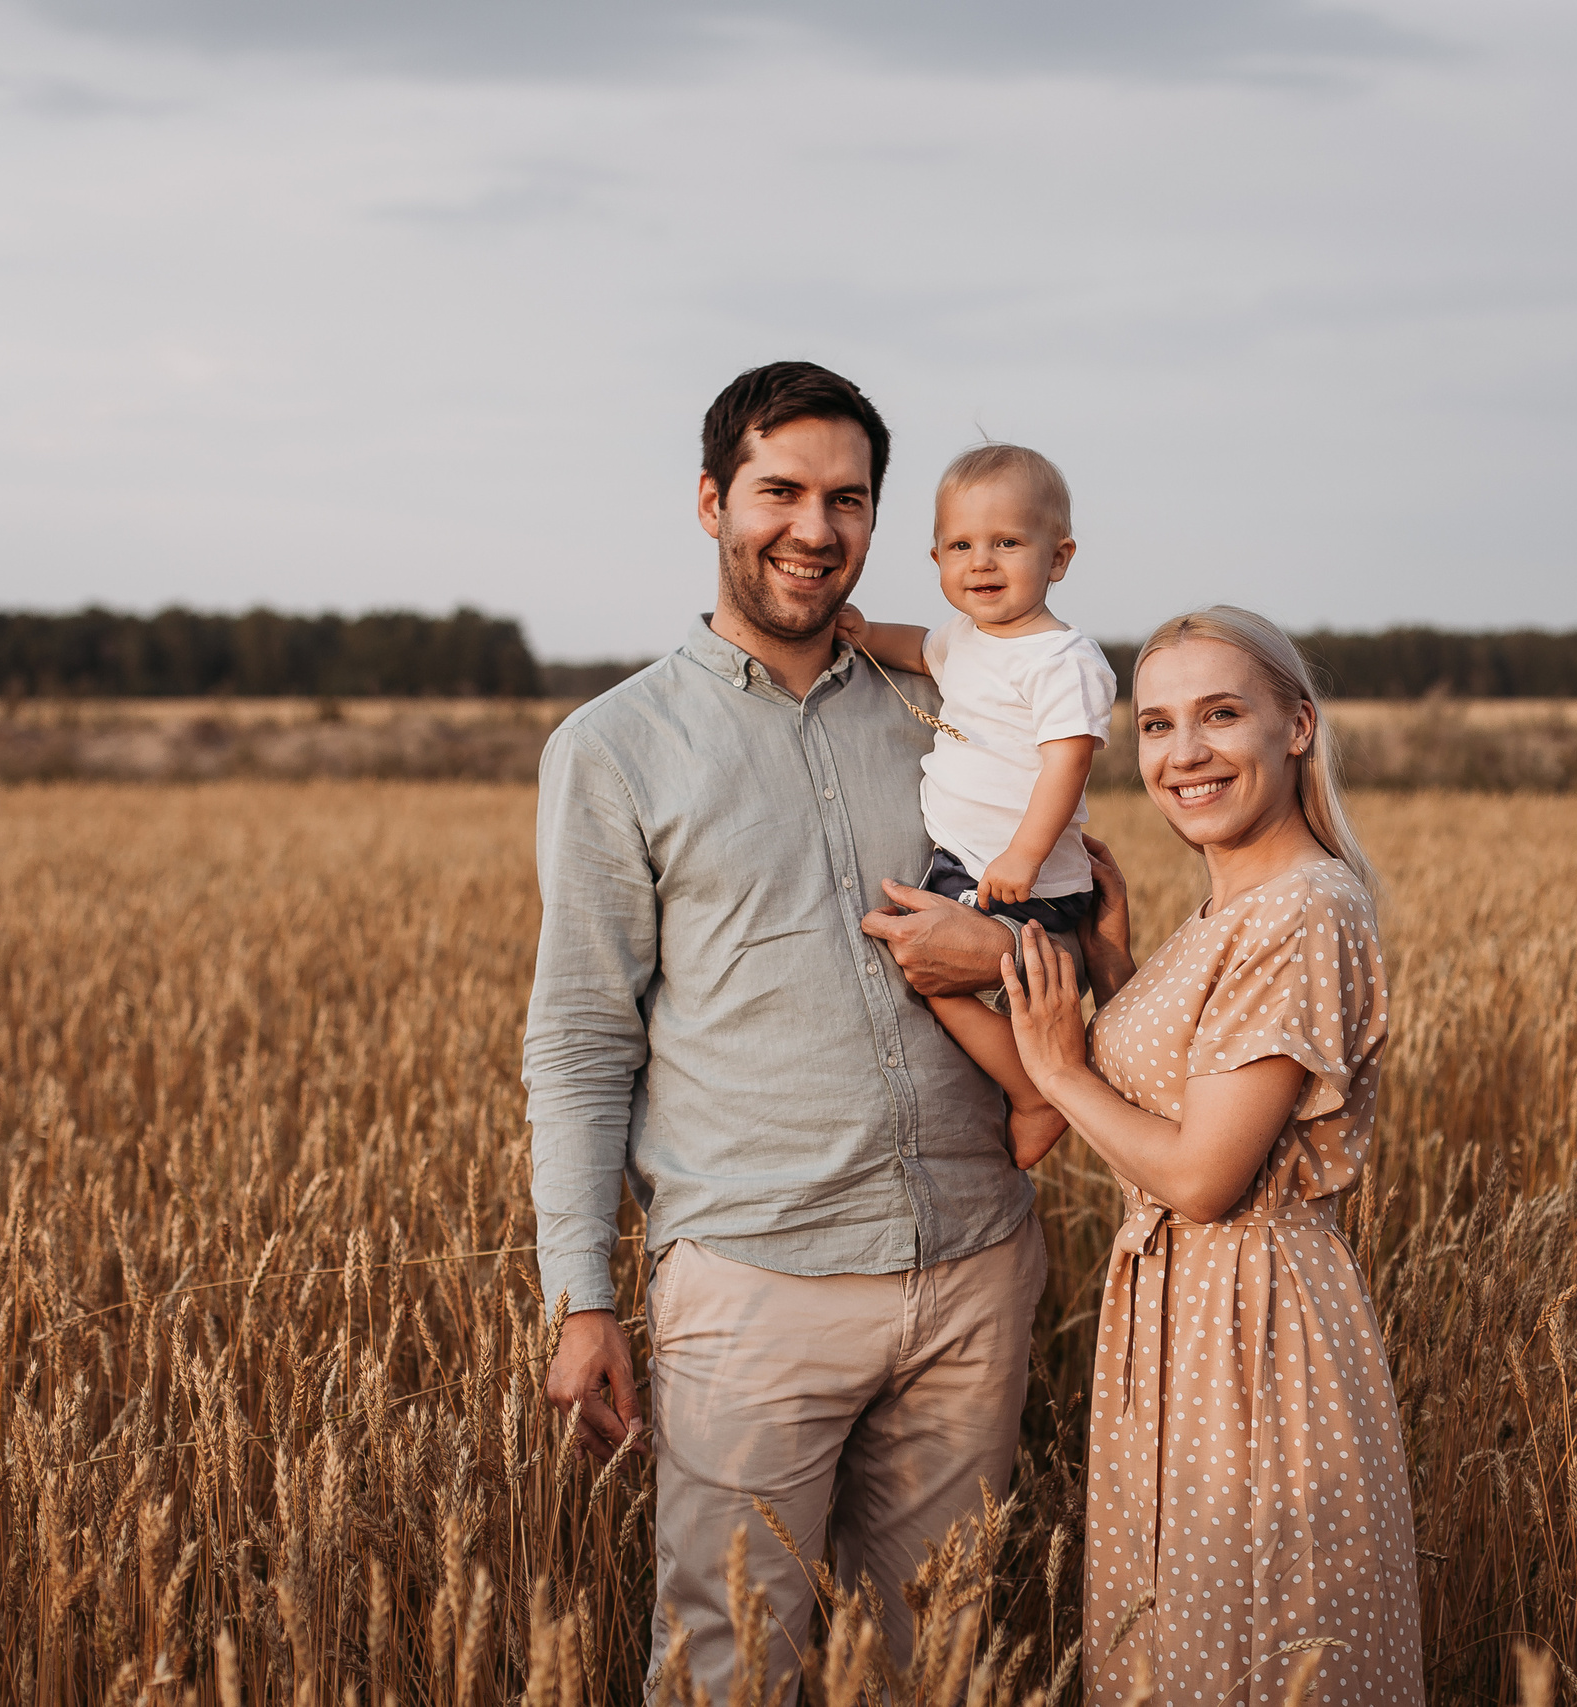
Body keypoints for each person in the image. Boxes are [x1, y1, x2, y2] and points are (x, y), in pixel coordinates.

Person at [522, 362, 1060, 1702]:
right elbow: (586, 1034)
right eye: (780, 491)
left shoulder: (950, 710)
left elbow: (1072, 908)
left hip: (976, 1269)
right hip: (754, 1287)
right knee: (727, 1667)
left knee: (929, 1665)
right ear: (712, 501)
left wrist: (1003, 945)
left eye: (848, 499)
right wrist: (583, 1292)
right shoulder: (615, 743)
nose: (813, 529)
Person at [1001, 608, 1427, 1705]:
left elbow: (1201, 1176)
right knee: (1184, 1647)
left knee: (1247, 1653)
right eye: (1155, 726)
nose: (1182, 754)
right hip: (1194, 1323)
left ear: (1296, 726)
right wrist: (1112, 964)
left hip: (1254, 1335)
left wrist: (1059, 1074)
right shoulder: (1233, 906)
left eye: (1220, 715)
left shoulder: (1302, 911)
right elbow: (1202, 1083)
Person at [835, 442, 1117, 1169]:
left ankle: (1037, 1092)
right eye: (961, 545)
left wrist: (1021, 855)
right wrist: (864, 635)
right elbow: (918, 650)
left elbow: (1067, 761)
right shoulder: (964, 638)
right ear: (937, 562)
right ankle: (1023, 1082)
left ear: (1059, 558)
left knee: (933, 979)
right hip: (966, 862)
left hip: (1017, 874)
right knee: (942, 978)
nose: (982, 562)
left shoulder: (1062, 658)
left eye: (1007, 542)